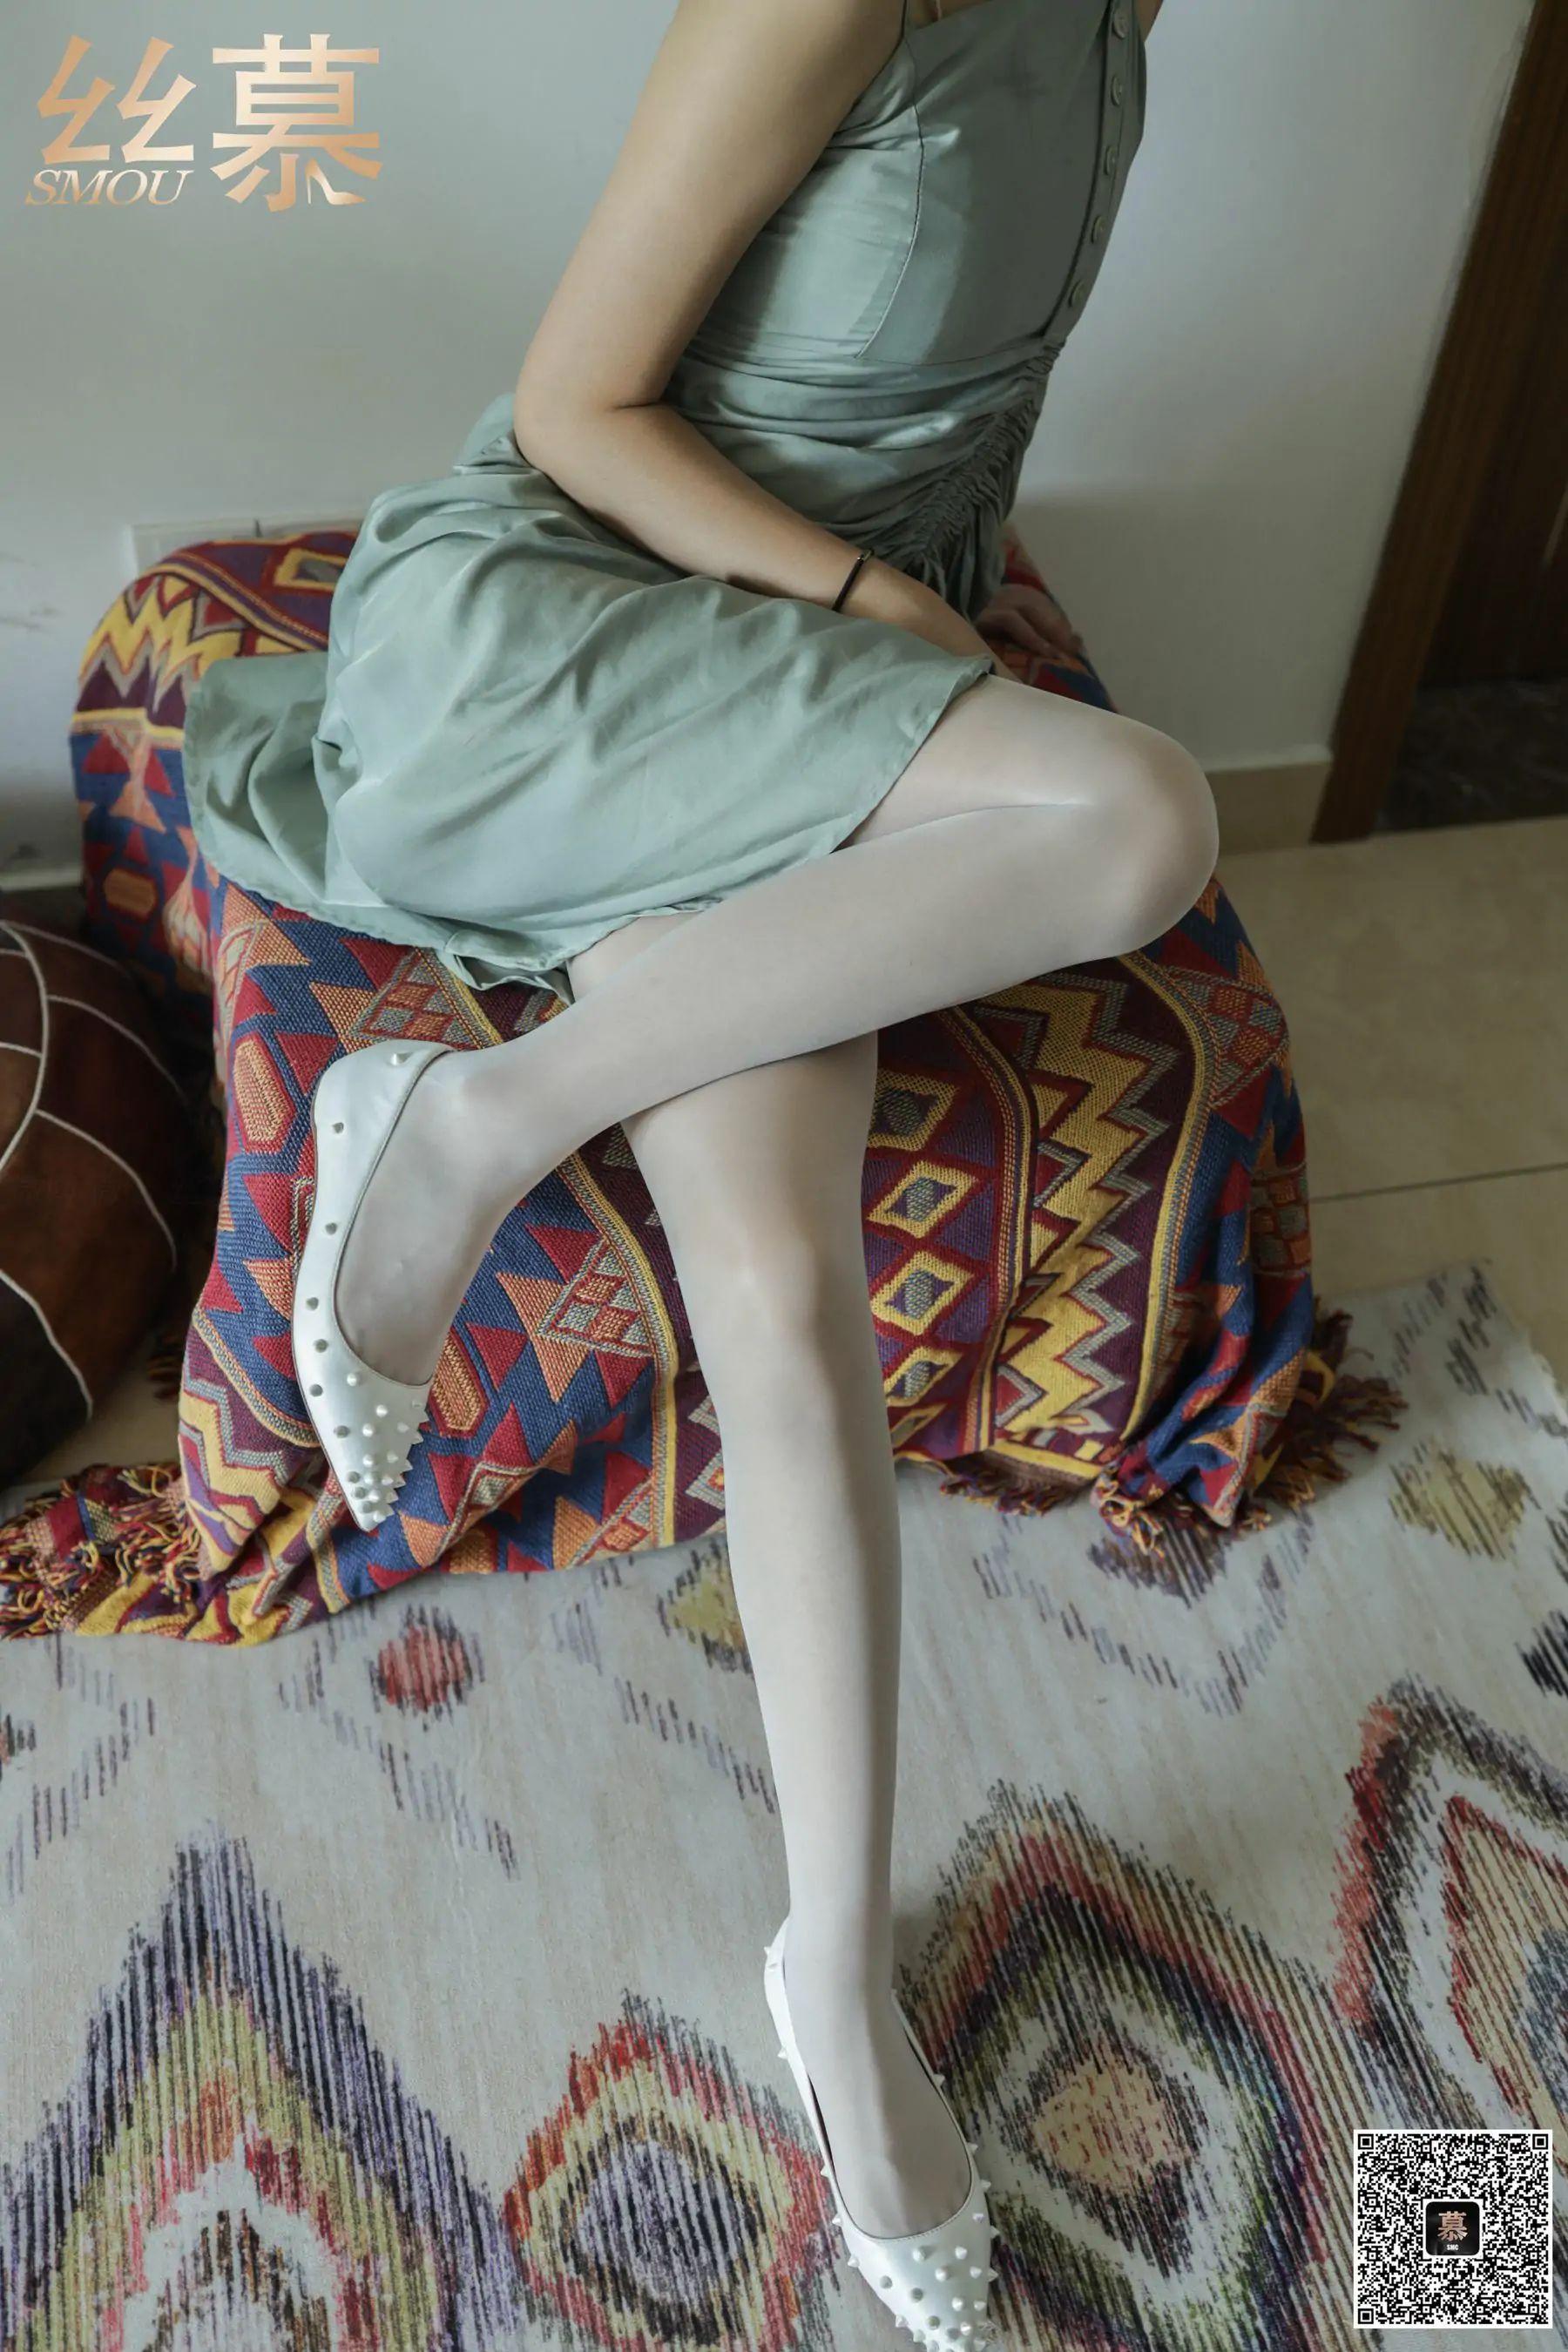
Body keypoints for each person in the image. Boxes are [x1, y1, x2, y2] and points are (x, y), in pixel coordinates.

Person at [183, 0, 1206, 2331]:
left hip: (822, 698)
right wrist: (876, 618)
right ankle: (464, 1127)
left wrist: (897, 646)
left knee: (776, 1277)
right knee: (1144, 811)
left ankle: (834, 1971)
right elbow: (578, 407)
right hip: (581, 638)